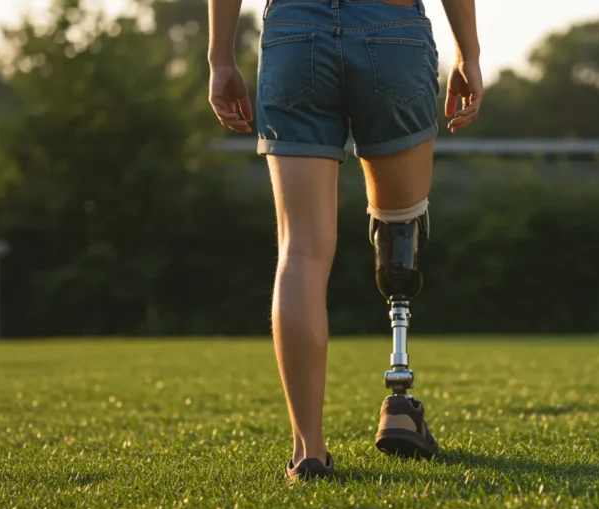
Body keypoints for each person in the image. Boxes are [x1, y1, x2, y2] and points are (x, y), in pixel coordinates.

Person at [207, 0, 483, 480]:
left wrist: (221, 59)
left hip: (295, 33)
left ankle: (308, 452)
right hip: (391, 28)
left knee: (301, 251)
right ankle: (400, 403)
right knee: (402, 225)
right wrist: (469, 54)